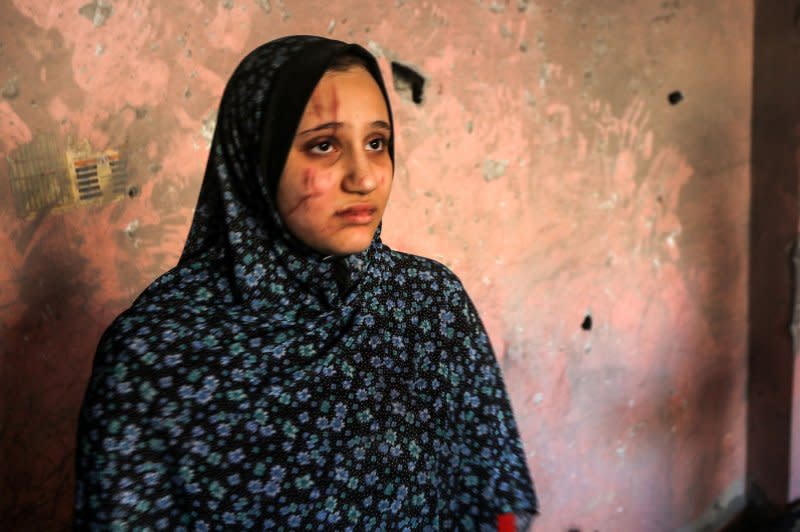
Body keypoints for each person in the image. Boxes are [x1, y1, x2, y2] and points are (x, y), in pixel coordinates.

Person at [74, 35, 538, 531]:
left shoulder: (429, 304)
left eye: (377, 143)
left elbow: (491, 502)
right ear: (257, 157)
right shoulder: (156, 352)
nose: (364, 178)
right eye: (324, 145)